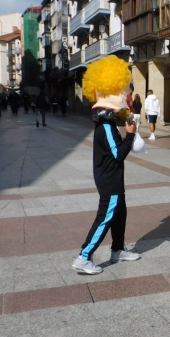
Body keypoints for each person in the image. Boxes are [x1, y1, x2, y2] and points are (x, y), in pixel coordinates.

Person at [72, 56, 140, 275]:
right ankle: (84, 256)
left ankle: (117, 249)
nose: (125, 97)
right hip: (109, 180)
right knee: (106, 217)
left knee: (120, 212)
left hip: (112, 178)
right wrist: (130, 136)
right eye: (121, 92)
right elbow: (118, 154)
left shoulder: (108, 124)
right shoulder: (106, 127)